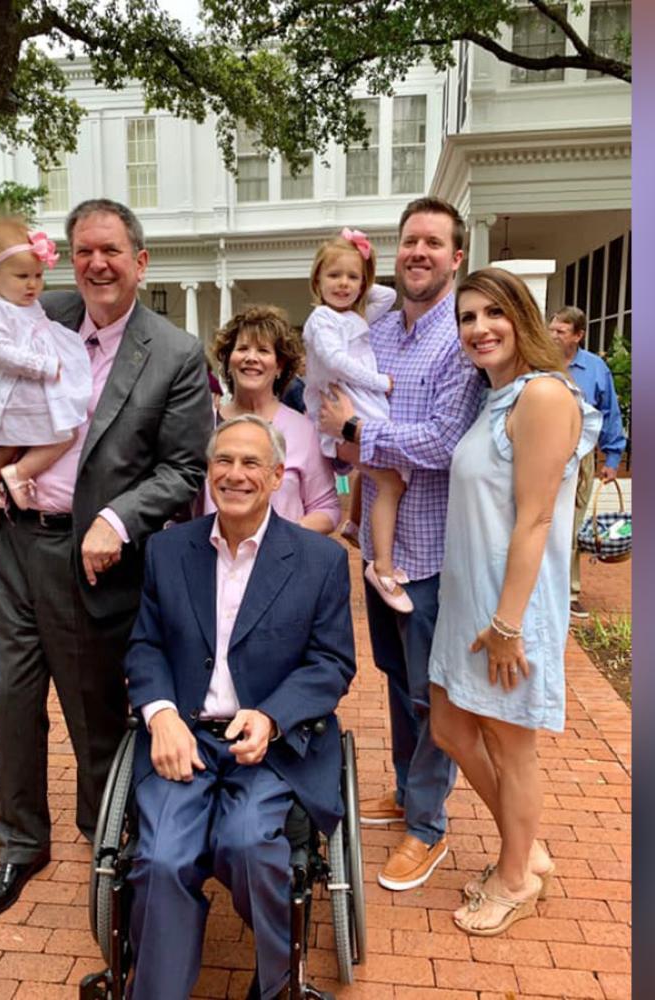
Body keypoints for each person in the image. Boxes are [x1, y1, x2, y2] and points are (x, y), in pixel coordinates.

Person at [0, 198, 213, 921]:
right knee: (15, 698)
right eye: (82, 251)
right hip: (16, 536)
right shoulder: (43, 313)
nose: (96, 264)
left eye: (110, 251)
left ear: (140, 261)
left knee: (92, 710)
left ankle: (102, 840)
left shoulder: (175, 353)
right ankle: (20, 841)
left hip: (90, 555)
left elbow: (182, 469)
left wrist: (115, 518)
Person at [124, 415, 356, 1000]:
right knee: (160, 858)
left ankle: (277, 984)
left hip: (269, 743)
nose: (235, 474)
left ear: (278, 476)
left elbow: (331, 663)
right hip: (186, 735)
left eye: (252, 463)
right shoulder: (168, 550)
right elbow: (145, 644)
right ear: (208, 473)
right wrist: (160, 714)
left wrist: (273, 714)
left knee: (249, 843)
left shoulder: (318, 561)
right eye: (223, 461)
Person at [316, 197, 485, 891]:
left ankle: (428, 825)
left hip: (434, 552)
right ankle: (406, 789)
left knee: (431, 694)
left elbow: (443, 444)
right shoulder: (379, 329)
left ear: (456, 256)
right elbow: (335, 409)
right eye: (410, 240)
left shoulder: (463, 338)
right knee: (394, 678)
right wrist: (342, 439)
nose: (419, 252)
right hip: (381, 547)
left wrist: (360, 437)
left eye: (433, 243)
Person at [429, 268, 601, 937]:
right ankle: (524, 847)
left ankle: (514, 876)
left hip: (511, 610)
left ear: (521, 316)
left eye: (492, 313)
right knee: (450, 729)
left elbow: (534, 522)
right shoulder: (493, 398)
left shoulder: (545, 397)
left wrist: (507, 625)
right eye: (467, 318)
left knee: (510, 746)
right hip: (467, 600)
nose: (478, 329)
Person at [301, 228, 410, 609]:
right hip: (341, 407)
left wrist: (363, 257)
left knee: (376, 473)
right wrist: (381, 382)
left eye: (352, 277)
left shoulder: (354, 315)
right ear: (317, 280)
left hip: (356, 404)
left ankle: (355, 525)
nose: (344, 284)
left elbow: (389, 294)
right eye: (334, 275)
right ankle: (381, 567)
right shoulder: (322, 320)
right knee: (392, 482)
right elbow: (335, 361)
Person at [0, 217, 92, 508]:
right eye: (22, 276)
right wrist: (43, 365)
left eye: (38, 276)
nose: (33, 285)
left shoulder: (23, 304)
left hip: (27, 390)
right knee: (64, 434)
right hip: (16, 393)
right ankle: (18, 472)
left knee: (14, 441)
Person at [204, 305, 340, 533]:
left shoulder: (303, 431)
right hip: (213, 561)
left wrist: (279, 541)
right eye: (243, 348)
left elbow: (327, 508)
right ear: (228, 361)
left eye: (263, 351)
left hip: (283, 563)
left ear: (280, 366)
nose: (251, 358)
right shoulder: (204, 424)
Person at [547, 306, 628, 618]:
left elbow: (609, 413)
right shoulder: (540, 363)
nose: (553, 336)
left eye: (560, 332)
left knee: (573, 524)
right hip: (542, 455)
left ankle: (568, 593)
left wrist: (613, 457)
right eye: (551, 329)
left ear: (578, 335)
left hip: (580, 460)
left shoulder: (595, 369)